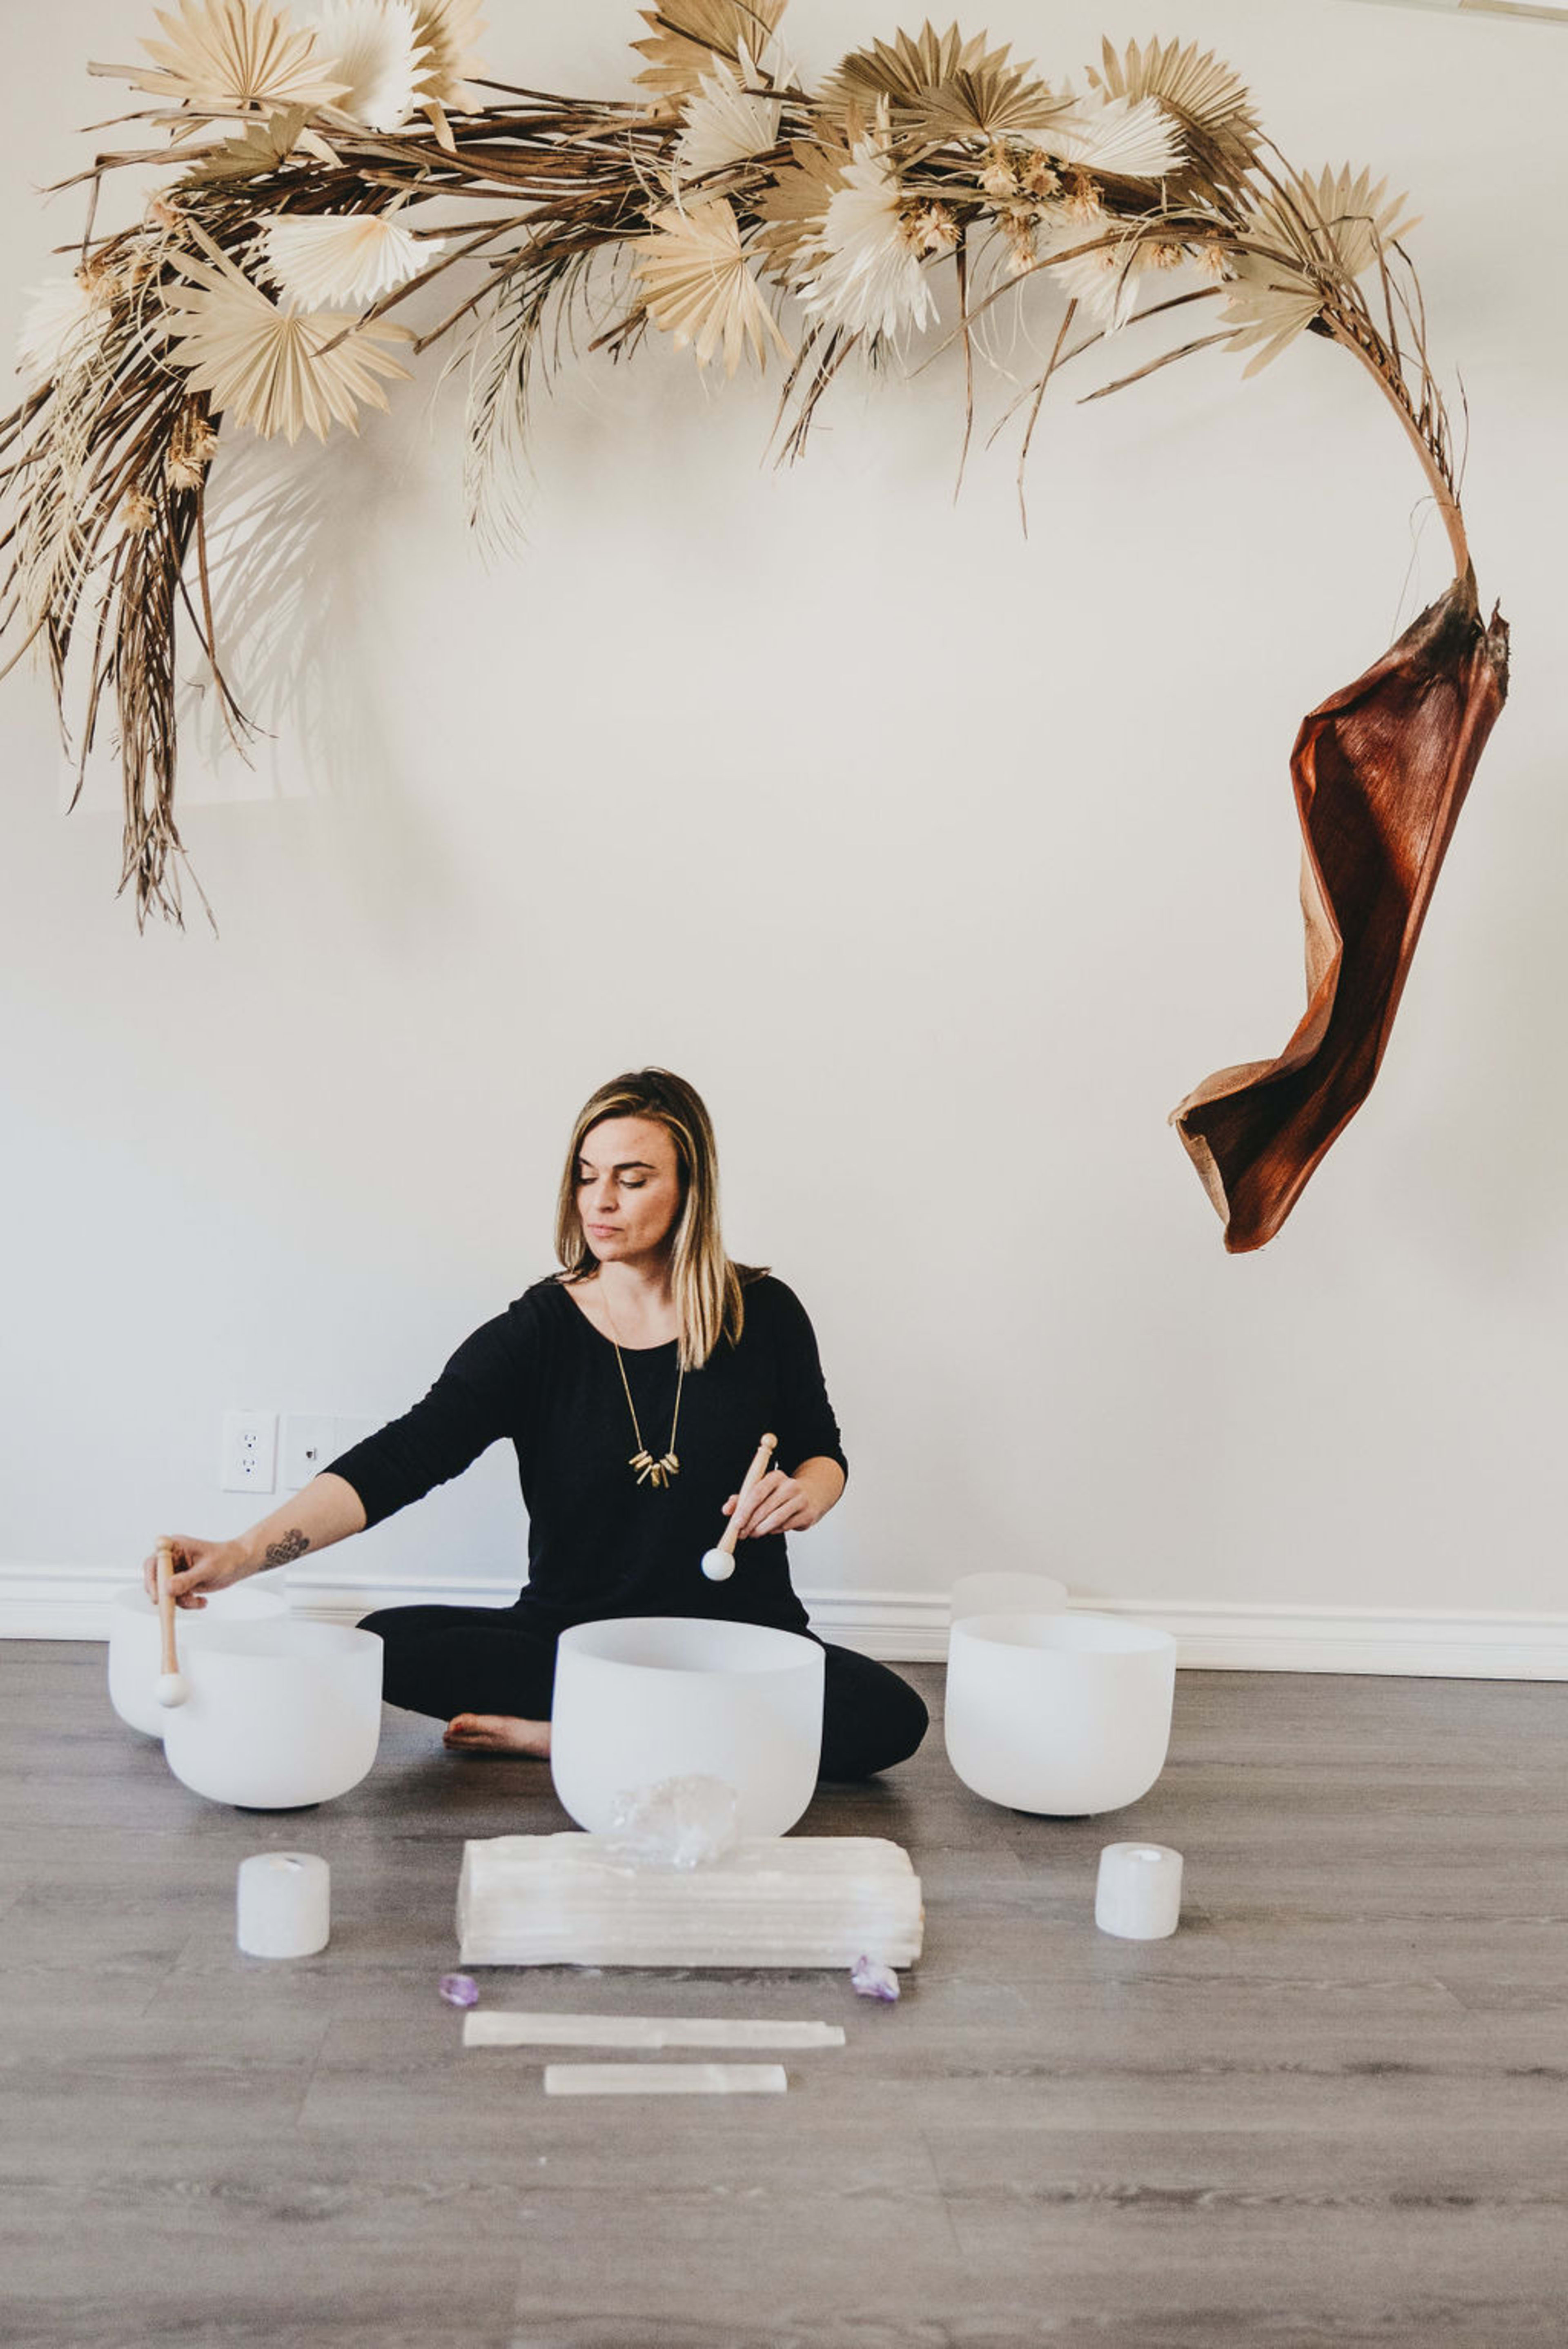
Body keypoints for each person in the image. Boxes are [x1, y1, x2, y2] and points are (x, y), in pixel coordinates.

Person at [144, 1068, 928, 1782]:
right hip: (574, 1645)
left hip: (742, 1646)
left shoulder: (766, 1313)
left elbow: (820, 1449)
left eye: (632, 1178)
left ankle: (562, 1738)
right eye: (587, 1177)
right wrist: (243, 1554)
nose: (601, 1201)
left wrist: (811, 1493)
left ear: (692, 1188)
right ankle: (660, 1730)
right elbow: (407, 1455)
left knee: (893, 1718)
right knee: (386, 1641)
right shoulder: (540, 1332)